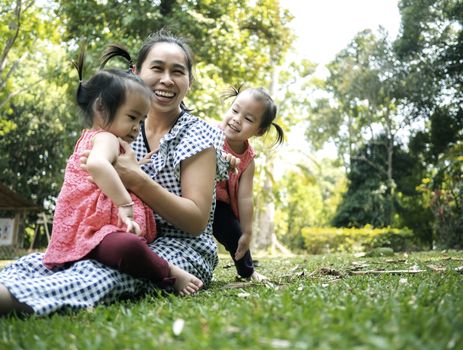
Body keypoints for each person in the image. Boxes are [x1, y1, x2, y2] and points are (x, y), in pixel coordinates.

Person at [0, 29, 227, 316]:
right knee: (46, 261)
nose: (167, 79)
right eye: (157, 68)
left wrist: (135, 178)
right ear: (136, 72)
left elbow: (196, 222)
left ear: (189, 82)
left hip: (181, 248)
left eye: (178, 72)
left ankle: (10, 300)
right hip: (121, 234)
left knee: (103, 275)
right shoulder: (120, 129)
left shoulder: (197, 135)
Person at [43, 47, 201, 296]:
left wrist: (139, 165)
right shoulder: (106, 138)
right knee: (128, 248)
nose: (137, 127)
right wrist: (125, 206)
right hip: (98, 230)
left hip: (91, 230)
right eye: (132, 117)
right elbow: (97, 165)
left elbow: (118, 169)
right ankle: (168, 271)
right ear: (101, 109)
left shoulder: (96, 137)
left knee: (126, 247)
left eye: (141, 120)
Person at [213, 86, 284, 281]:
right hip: (190, 192)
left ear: (259, 131)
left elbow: (245, 198)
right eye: (235, 110)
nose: (237, 119)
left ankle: (247, 271)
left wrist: (247, 232)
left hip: (218, 205)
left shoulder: (248, 160)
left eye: (248, 119)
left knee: (235, 234)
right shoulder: (208, 132)